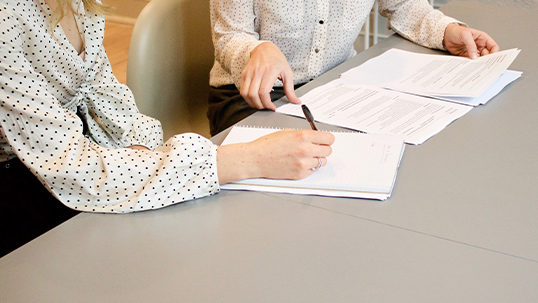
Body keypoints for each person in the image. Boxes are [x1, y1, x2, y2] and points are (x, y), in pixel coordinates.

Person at [0, 0, 335, 258]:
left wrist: (143, 151)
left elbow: (104, 93)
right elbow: (74, 168)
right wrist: (248, 160)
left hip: (75, 151)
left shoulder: (77, 5)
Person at [207, 0, 500, 136]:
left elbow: (402, 4)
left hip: (334, 89)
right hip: (250, 96)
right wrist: (257, 50)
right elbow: (229, 36)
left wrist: (445, 30)